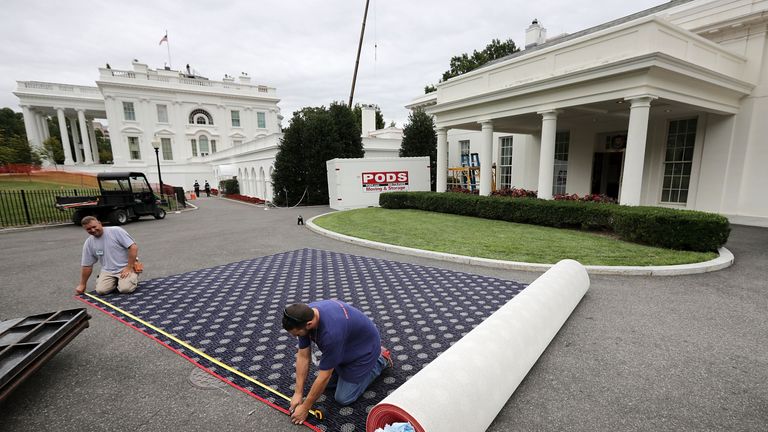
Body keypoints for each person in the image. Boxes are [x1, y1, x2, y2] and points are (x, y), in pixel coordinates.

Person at [283, 301, 392, 425]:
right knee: (326, 386)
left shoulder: (331, 334)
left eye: (296, 334)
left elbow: (324, 375)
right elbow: (303, 356)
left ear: (309, 324)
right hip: (346, 347)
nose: (295, 336)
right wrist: (298, 393)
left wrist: (305, 408)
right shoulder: (303, 315)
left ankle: (381, 359)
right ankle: (342, 365)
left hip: (365, 352)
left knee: (343, 398)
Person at [75, 216, 139, 295]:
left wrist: (129, 268)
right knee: (101, 291)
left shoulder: (116, 231)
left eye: (94, 227)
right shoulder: (89, 243)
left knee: (125, 289)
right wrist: (82, 284)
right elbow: (87, 265)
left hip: (126, 267)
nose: (93, 230)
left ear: (99, 223)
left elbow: (133, 247)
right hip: (108, 271)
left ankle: (131, 277)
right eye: (88, 229)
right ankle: (116, 282)